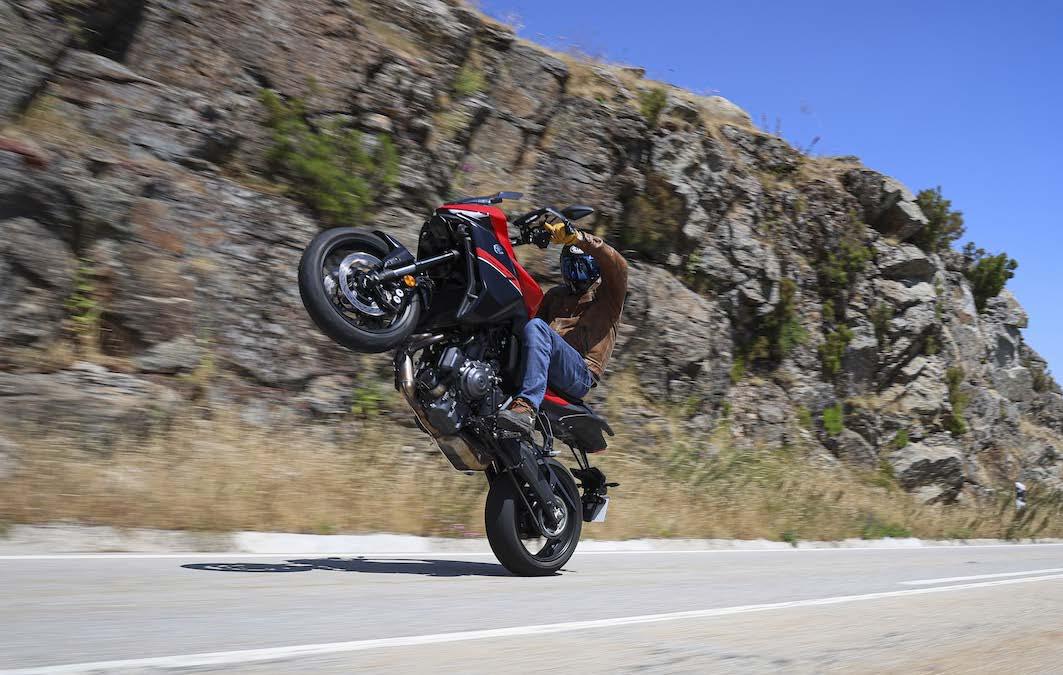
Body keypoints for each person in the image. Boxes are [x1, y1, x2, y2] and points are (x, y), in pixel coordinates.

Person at [498, 220, 628, 435]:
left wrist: (579, 239)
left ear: (595, 267)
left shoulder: (607, 298)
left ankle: (527, 407)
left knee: (537, 328)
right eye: (570, 267)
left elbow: (618, 265)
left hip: (580, 373)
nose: (575, 274)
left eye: (582, 267)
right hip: (550, 363)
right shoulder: (555, 295)